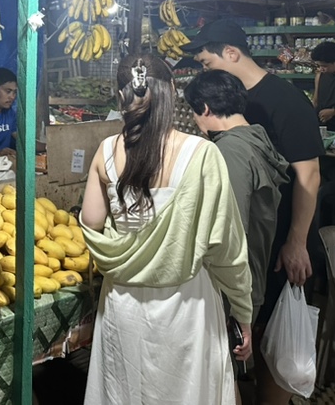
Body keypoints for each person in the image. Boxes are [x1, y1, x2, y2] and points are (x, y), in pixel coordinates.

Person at [80, 54, 252, 404]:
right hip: (186, 306)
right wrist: (243, 311)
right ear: (172, 91)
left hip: (122, 304)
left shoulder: (106, 152)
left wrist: (130, 242)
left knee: (125, 390)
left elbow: (91, 224)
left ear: (119, 96)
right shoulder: (202, 154)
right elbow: (226, 248)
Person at [185, 19, 323, 405]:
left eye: (207, 64)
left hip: (282, 241)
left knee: (273, 346)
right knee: (257, 334)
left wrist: (296, 241)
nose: (204, 72)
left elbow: (309, 175)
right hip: (257, 243)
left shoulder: (284, 100)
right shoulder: (239, 104)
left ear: (231, 53)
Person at [184, 70, 290, 322]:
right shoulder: (255, 136)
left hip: (235, 289)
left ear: (206, 109)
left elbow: (231, 229)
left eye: (193, 111)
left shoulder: (230, 151)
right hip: (250, 275)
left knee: (232, 356)